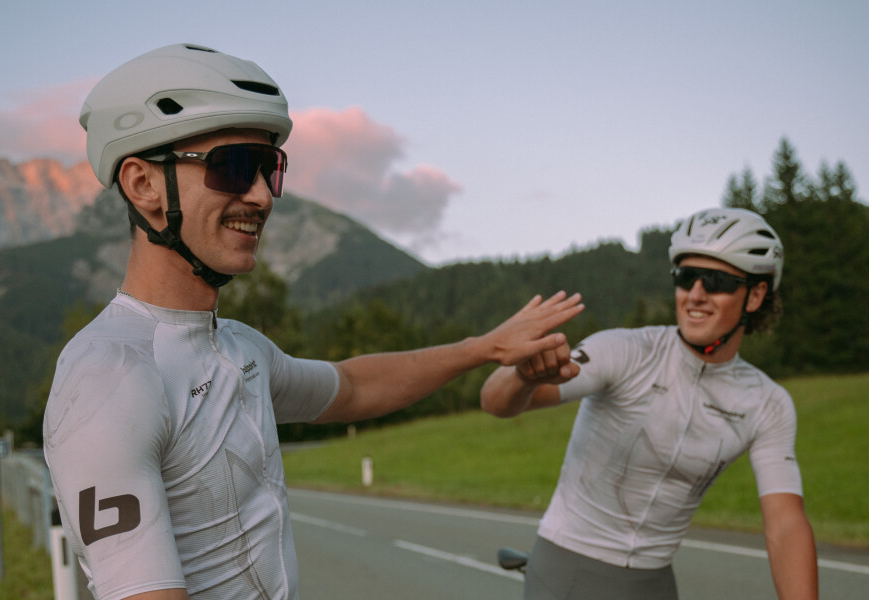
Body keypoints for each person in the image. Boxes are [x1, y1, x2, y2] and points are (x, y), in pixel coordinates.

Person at [43, 43, 584, 600]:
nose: (260, 195)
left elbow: (352, 387)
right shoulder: (108, 376)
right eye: (231, 166)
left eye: (268, 168)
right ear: (143, 185)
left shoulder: (238, 348)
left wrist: (486, 348)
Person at [481, 207, 818, 600]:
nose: (696, 295)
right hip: (566, 565)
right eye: (686, 277)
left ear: (756, 295)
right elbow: (495, 401)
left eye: (716, 281)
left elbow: (785, 525)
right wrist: (523, 375)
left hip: (653, 581)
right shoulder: (625, 351)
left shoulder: (767, 403)